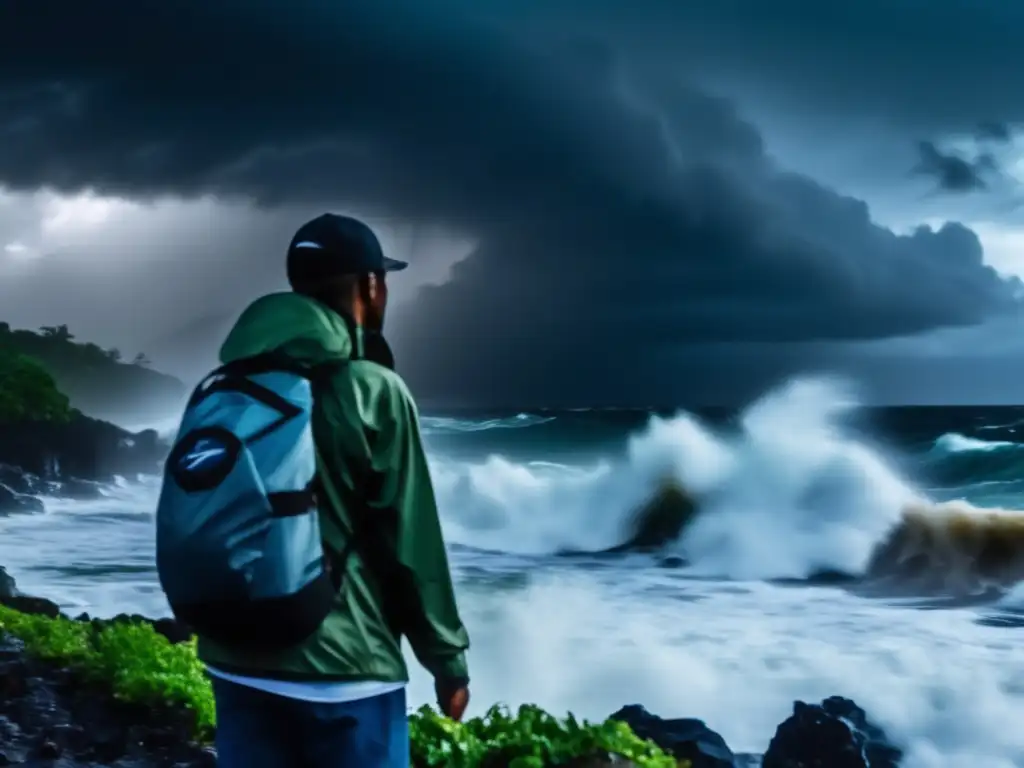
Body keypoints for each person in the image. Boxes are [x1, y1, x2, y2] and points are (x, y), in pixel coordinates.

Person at [197, 213, 471, 767]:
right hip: (346, 676)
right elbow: (411, 542)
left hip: (237, 657)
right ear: (369, 286)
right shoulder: (374, 390)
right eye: (382, 281)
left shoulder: (224, 386)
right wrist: (447, 661)